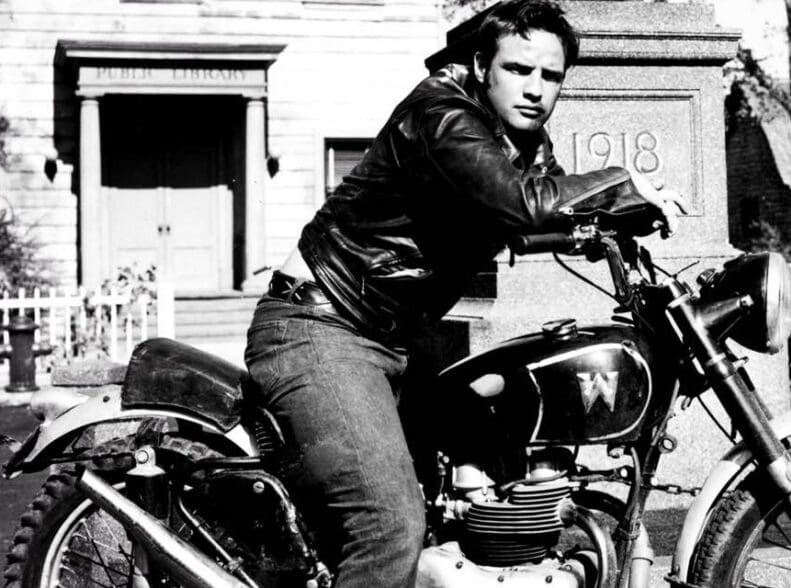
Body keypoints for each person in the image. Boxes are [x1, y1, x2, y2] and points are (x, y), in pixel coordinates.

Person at [244, 0, 686, 585]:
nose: (535, 89)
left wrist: (607, 228)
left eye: (551, 76)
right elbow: (519, 202)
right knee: (390, 526)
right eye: (518, 70)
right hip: (323, 325)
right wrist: (621, 183)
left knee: (472, 481)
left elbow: (528, 218)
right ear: (481, 64)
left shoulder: (522, 141)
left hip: (395, 334)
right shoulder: (443, 115)